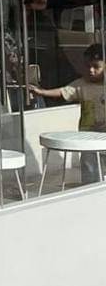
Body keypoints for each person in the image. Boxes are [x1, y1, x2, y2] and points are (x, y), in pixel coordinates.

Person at [29, 43, 106, 184]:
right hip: (88, 132)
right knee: (89, 161)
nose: (91, 70)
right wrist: (42, 92)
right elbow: (63, 91)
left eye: (96, 67)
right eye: (87, 66)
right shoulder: (81, 84)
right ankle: (89, 187)